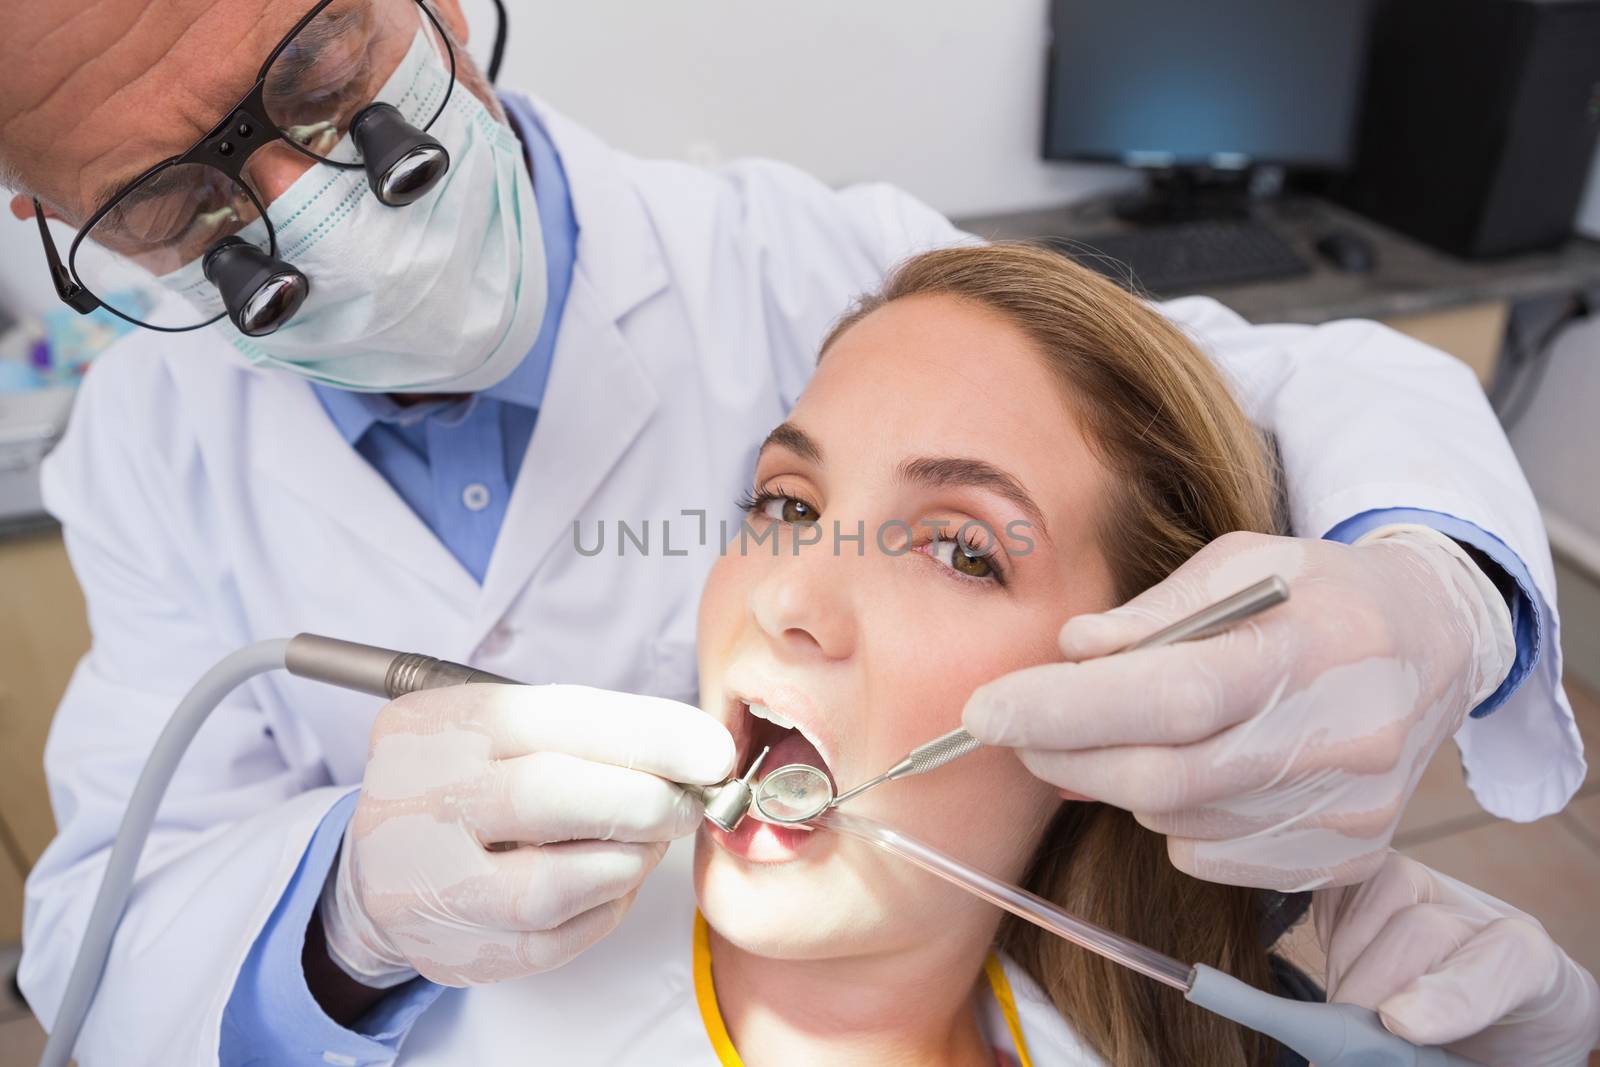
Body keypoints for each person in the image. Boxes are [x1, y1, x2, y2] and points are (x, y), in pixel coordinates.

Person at [0, 0, 1582, 1061]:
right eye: (176, 206)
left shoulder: (794, 258)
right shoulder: (149, 444)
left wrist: (1432, 591)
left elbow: (1283, 383)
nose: (788, 609)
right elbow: (99, 949)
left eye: (326, 79)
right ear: (49, 220)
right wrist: (342, 915)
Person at [335, 244, 1600, 1065]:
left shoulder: (1221, 1032)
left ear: (1133, 707)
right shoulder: (461, 1000)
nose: (791, 597)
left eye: (960, 549)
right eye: (782, 502)